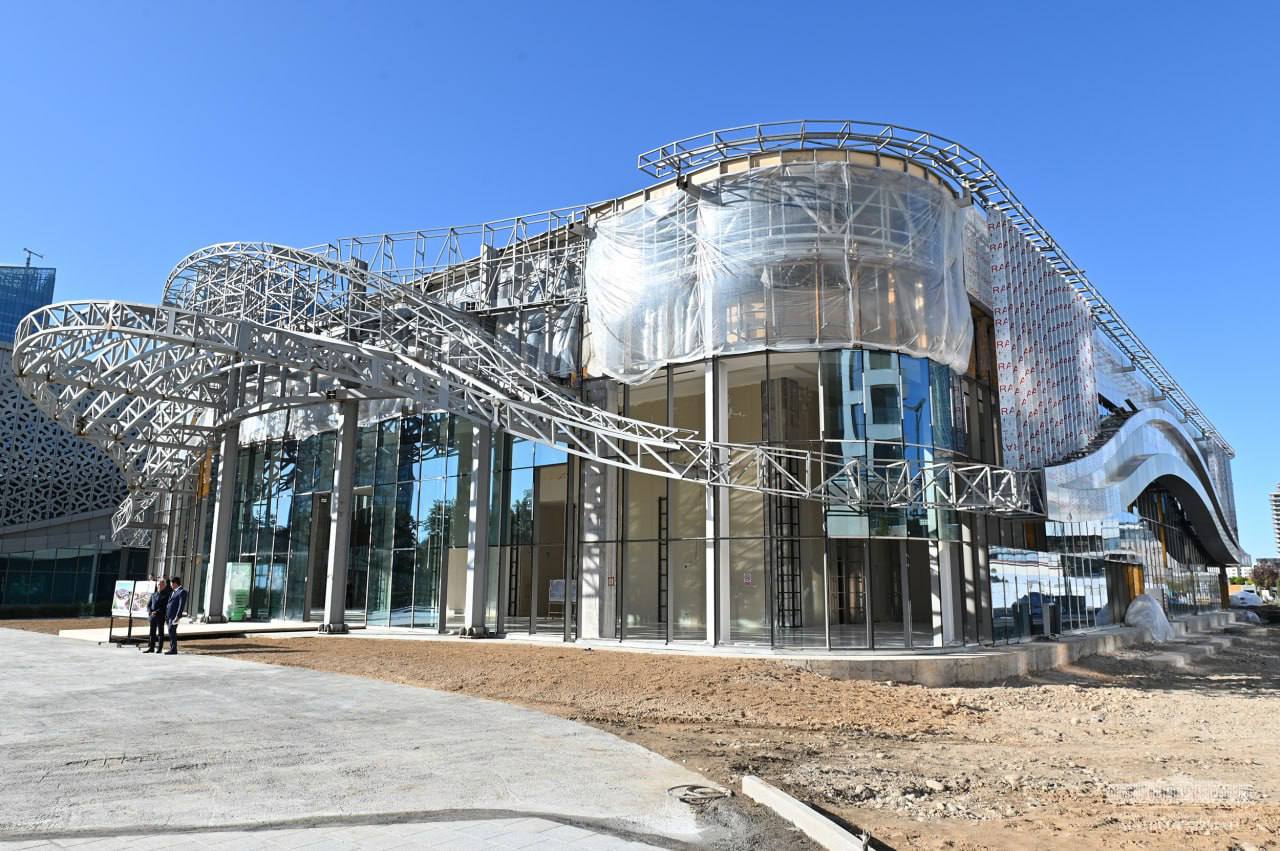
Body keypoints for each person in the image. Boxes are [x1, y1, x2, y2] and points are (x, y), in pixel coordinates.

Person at [143, 577, 171, 653]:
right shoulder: (154, 594)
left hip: (160, 616)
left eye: (161, 584)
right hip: (152, 616)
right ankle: (151, 648)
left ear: (164, 586)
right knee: (152, 633)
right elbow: (149, 605)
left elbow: (165, 606)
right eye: (158, 584)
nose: (159, 586)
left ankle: (159, 648)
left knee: (160, 633)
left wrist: (157, 612)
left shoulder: (166, 595)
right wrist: (150, 611)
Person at [165, 576, 188, 655]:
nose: (170, 585)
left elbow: (181, 605)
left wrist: (178, 616)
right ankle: (172, 648)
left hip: (174, 616)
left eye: (171, 583)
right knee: (170, 631)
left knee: (172, 631)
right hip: (169, 616)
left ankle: (173, 649)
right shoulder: (173, 592)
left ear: (175, 583)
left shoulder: (182, 591)